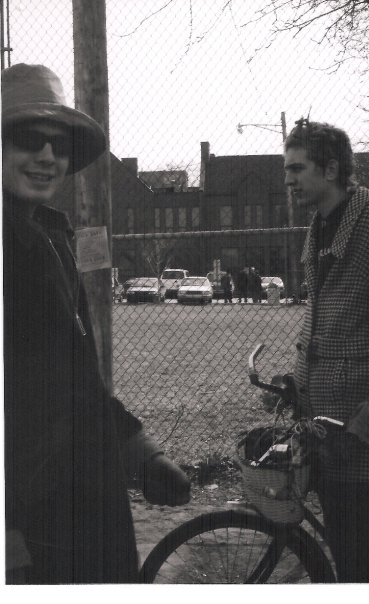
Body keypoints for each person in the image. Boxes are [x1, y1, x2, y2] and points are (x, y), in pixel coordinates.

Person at [2, 63, 190, 584]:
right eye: (28, 139)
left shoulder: (48, 238)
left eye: (59, 145)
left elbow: (78, 380)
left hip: (78, 501)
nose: (47, 156)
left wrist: (142, 454)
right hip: (31, 526)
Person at [283, 118, 369, 582]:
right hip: (327, 433)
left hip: (364, 437)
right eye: (286, 170)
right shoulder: (321, 224)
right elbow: (321, 314)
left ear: (330, 170)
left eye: (297, 169)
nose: (288, 180)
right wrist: (295, 379)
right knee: (347, 558)